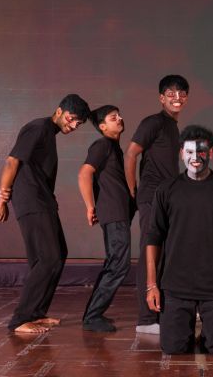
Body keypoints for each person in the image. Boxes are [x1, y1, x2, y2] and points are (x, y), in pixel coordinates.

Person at [145, 125, 213, 355]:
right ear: (181, 153)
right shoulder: (167, 190)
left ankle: (209, 331)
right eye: (190, 152)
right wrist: (152, 285)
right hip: (176, 286)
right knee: (172, 348)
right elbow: (153, 238)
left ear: (210, 153)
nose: (195, 158)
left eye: (201, 152)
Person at [0, 94, 90, 334]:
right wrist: (2, 199)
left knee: (56, 255)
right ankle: (21, 319)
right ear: (59, 111)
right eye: (72, 119)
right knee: (48, 258)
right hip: (31, 200)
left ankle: (36, 313)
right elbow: (12, 162)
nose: (73, 125)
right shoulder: (38, 127)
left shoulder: (49, 132)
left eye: (78, 123)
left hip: (43, 200)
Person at [124, 75, 189, 334]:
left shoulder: (173, 127)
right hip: (151, 196)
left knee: (165, 254)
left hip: (168, 198)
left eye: (182, 94)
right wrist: (133, 191)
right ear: (161, 98)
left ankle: (161, 312)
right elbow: (131, 153)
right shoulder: (153, 122)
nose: (177, 98)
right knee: (150, 253)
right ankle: (146, 319)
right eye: (171, 94)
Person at [78, 105, 134, 332]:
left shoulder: (113, 148)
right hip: (113, 213)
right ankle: (92, 317)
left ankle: (93, 314)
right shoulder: (102, 145)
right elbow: (84, 173)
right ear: (103, 126)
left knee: (114, 263)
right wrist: (89, 206)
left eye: (119, 115)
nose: (119, 119)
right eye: (113, 118)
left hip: (119, 213)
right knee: (118, 264)